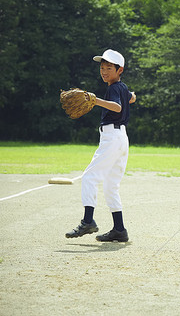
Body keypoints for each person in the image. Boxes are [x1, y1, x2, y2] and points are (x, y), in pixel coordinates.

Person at [66, 49, 136, 243]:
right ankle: (119, 230)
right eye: (102, 67)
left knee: (89, 176)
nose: (104, 71)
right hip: (121, 138)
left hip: (112, 137)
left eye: (109, 68)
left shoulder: (114, 89)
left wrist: (96, 101)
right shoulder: (121, 87)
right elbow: (130, 98)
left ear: (119, 69)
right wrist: (132, 96)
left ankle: (88, 221)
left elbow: (118, 107)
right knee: (111, 186)